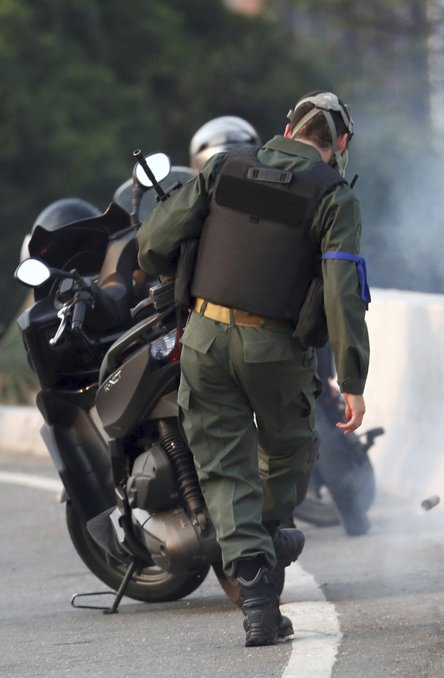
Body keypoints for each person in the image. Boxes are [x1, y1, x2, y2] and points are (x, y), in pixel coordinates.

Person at [136, 91, 370, 647]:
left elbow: (152, 243)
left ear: (288, 126)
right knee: (289, 453)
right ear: (339, 144)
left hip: (205, 337)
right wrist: (354, 379)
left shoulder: (222, 168)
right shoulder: (335, 197)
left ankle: (258, 600)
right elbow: (342, 295)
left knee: (224, 468)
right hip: (275, 349)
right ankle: (264, 547)